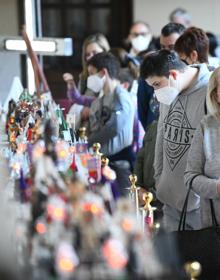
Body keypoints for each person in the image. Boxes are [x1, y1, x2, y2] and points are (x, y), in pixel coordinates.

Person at [140, 49, 211, 231]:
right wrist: (160, 178)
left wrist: (201, 190)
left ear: (173, 75)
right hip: (169, 199)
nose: (156, 92)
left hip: (200, 205)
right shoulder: (169, 92)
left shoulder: (211, 90)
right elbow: (161, 137)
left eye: (157, 84)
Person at [135, 23, 185, 190]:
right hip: (153, 139)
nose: (167, 52)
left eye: (171, 47)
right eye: (162, 47)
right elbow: (142, 111)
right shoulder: (152, 75)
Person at [86, 52, 135, 196]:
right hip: (101, 160)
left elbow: (114, 128)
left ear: (103, 72)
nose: (89, 78)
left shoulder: (121, 96)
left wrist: (87, 143)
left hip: (118, 164)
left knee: (121, 209)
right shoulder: (101, 99)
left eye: (92, 74)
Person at [185, 67, 220, 227]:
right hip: (215, 231)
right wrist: (216, 187)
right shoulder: (206, 126)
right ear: (216, 94)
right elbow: (191, 176)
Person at [63, 33, 110, 130]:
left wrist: (92, 110)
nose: (90, 57)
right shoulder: (84, 77)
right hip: (83, 126)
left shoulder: (111, 79)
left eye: (95, 53)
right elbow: (77, 100)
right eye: (87, 54)